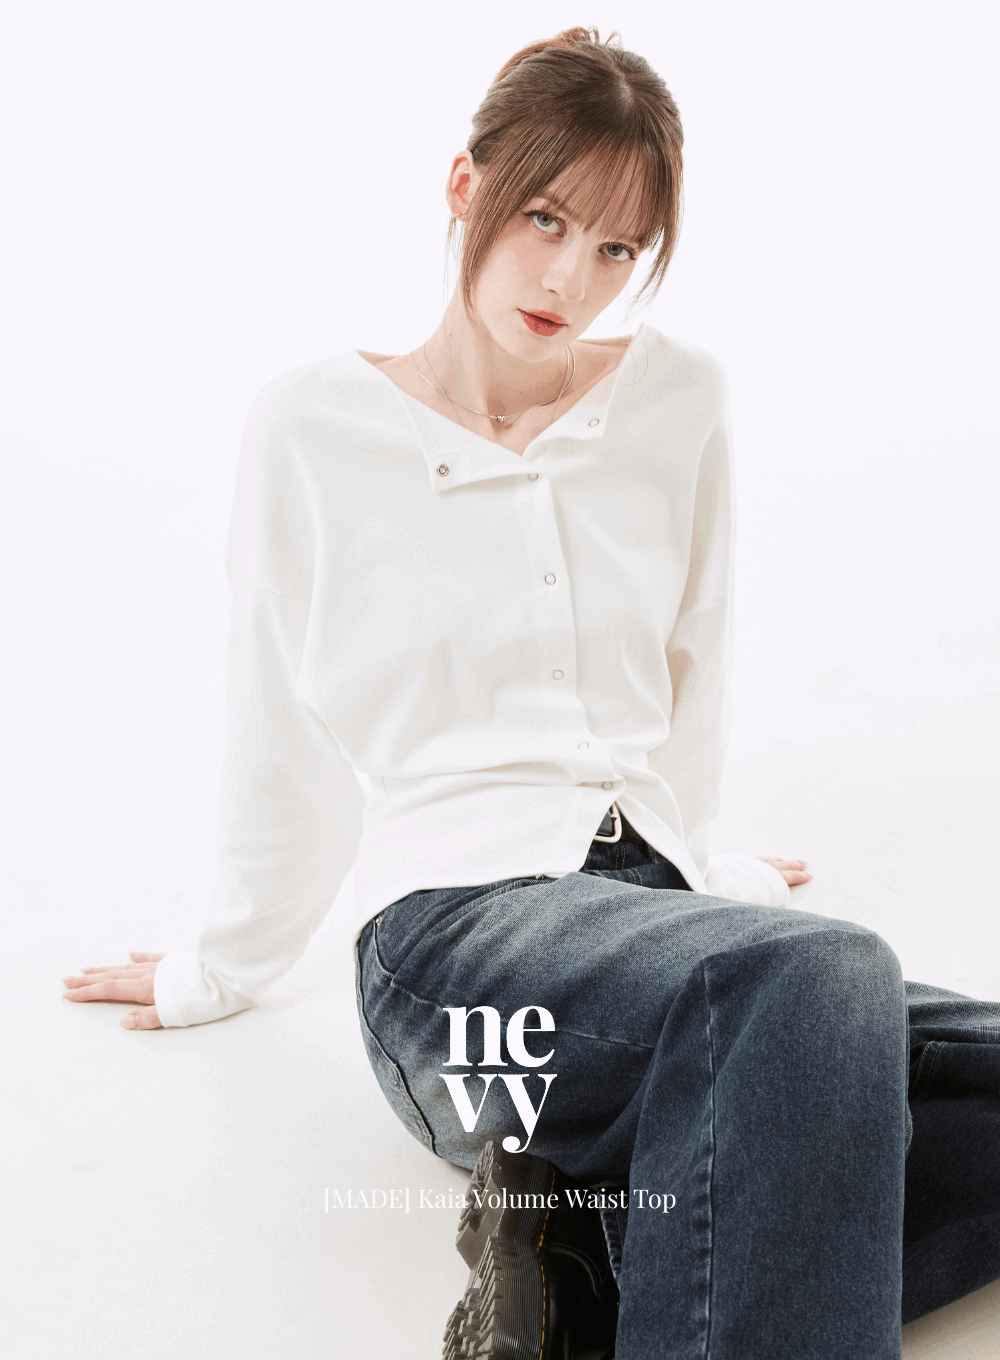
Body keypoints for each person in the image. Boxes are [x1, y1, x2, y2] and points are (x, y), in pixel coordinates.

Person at [61, 26, 1000, 1360]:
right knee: (820, 977)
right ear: (466, 186)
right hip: (455, 955)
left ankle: (571, 1287)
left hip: (658, 920)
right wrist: (221, 967)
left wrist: (703, 869)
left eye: (617, 248)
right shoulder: (313, 426)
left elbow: (694, 664)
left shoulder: (680, 399)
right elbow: (280, 723)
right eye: (546, 219)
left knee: (820, 1002)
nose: (573, 278)